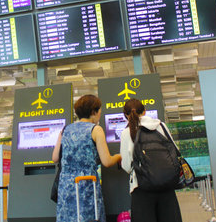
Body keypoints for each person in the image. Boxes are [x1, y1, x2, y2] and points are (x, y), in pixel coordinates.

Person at [52, 94, 122, 222]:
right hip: (87, 184)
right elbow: (106, 161)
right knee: (89, 216)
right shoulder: (96, 130)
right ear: (93, 112)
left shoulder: (65, 129)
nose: (100, 113)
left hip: (66, 185)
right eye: (99, 110)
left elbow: (55, 157)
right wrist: (118, 156)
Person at [119, 98, 182, 222]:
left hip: (142, 188)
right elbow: (174, 151)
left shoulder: (127, 133)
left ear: (126, 115)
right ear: (145, 111)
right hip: (166, 185)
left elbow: (126, 165)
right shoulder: (161, 126)